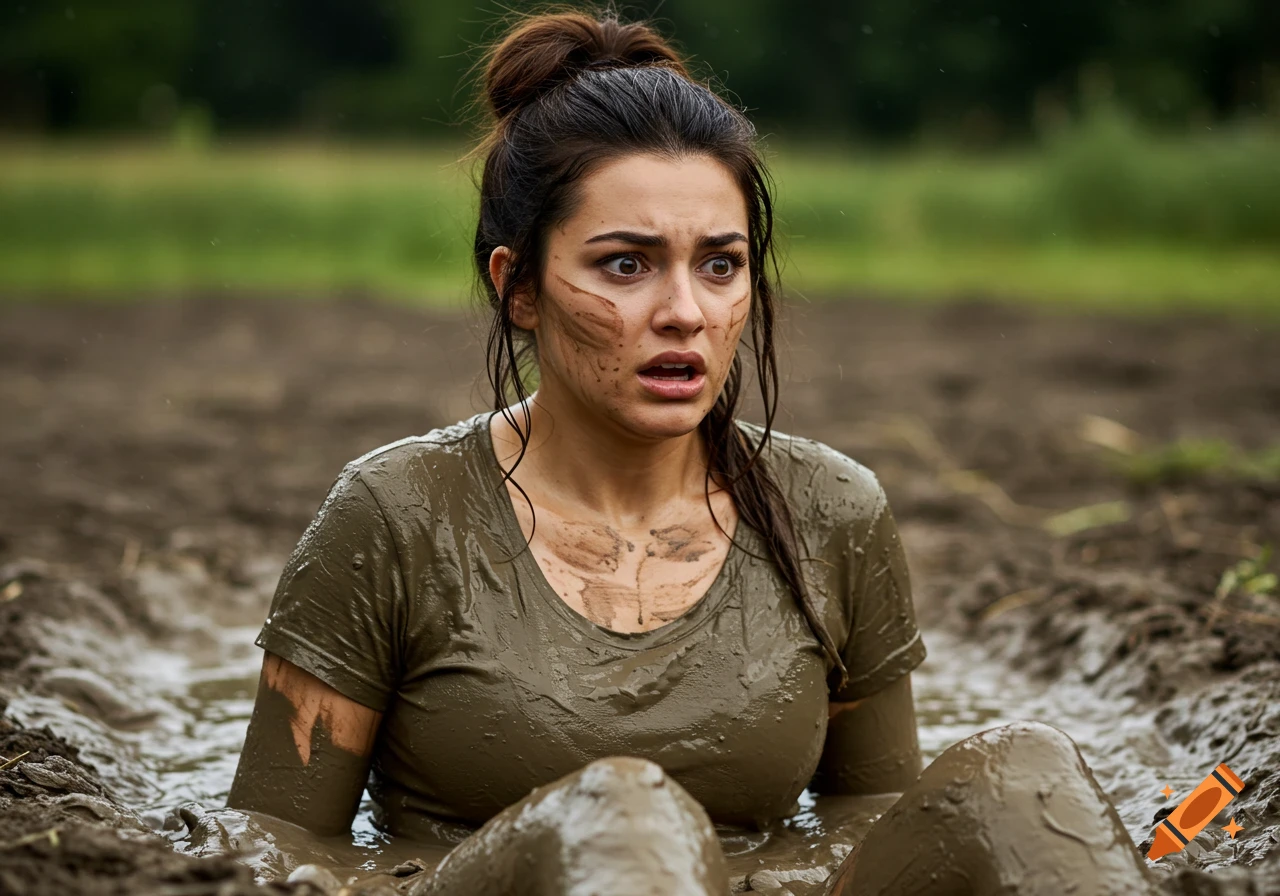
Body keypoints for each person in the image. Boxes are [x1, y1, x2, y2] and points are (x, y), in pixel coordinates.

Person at [228, 6, 1163, 894]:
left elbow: (872, 821)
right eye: (625, 264)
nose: (685, 312)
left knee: (1023, 770)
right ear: (517, 287)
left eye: (720, 263)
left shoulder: (833, 511)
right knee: (625, 810)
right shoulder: (393, 515)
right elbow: (272, 849)